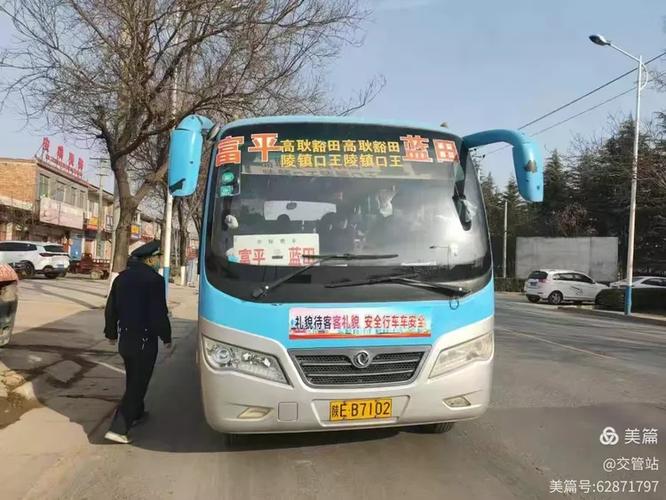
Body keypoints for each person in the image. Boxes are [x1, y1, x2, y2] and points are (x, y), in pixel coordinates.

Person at [103, 240, 171, 444]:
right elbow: (158, 313)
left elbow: (111, 308)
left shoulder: (121, 278)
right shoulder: (154, 280)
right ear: (149, 260)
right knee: (138, 384)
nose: (159, 261)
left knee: (133, 377)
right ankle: (118, 428)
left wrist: (111, 333)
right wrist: (166, 336)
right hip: (144, 341)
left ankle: (137, 412)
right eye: (158, 258)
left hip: (126, 340)